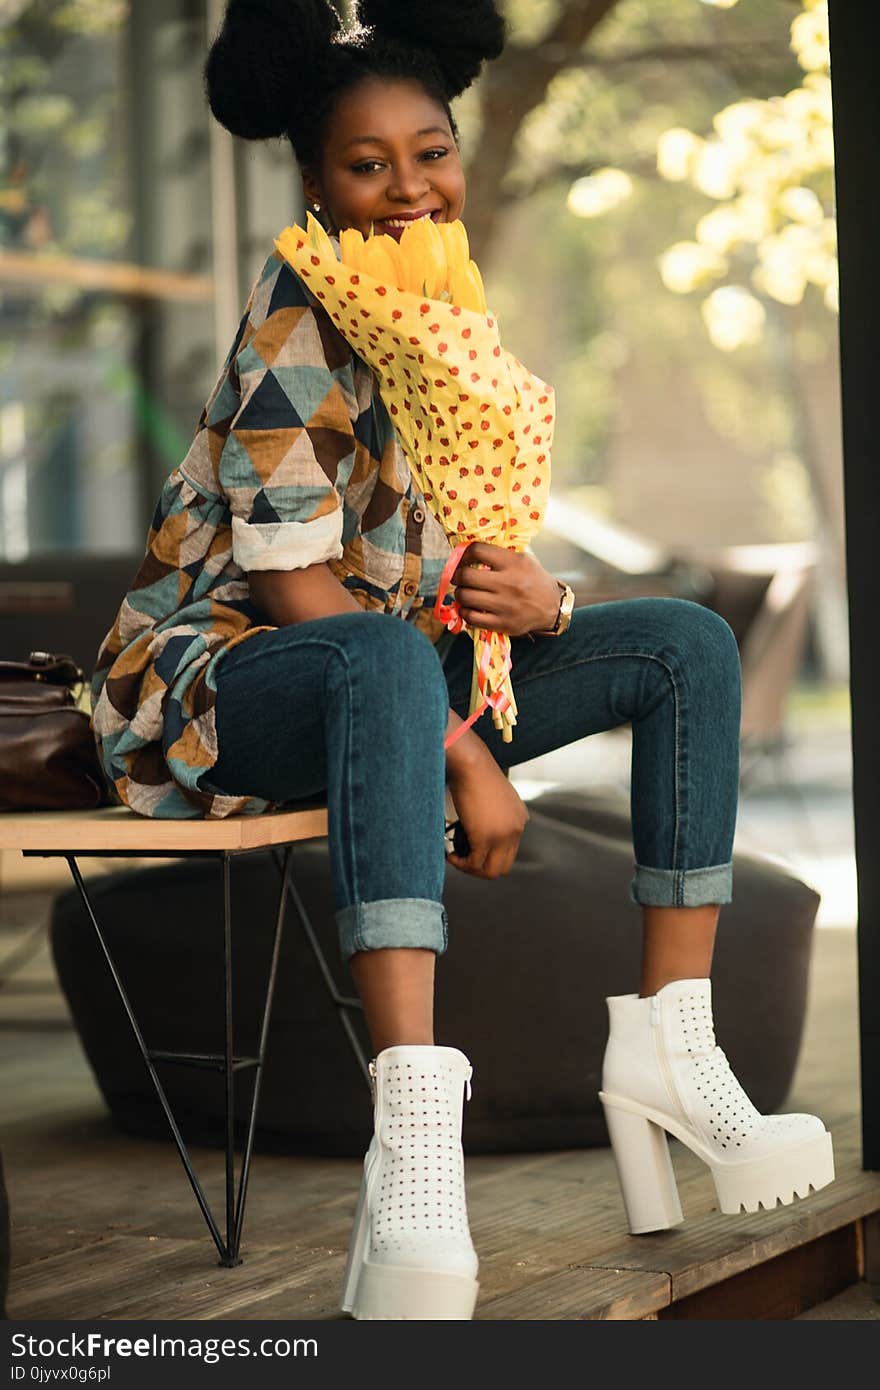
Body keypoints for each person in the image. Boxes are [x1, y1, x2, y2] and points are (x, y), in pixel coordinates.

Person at [91, 0, 834, 1321]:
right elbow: (289, 584)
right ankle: (416, 1136)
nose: (403, 187)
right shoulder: (294, 319)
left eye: (425, 151)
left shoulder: (434, 322)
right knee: (378, 654)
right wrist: (458, 755)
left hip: (383, 670)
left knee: (683, 643)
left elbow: (439, 574)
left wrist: (541, 599)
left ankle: (672, 1046)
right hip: (222, 686)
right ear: (315, 183)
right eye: (364, 166)